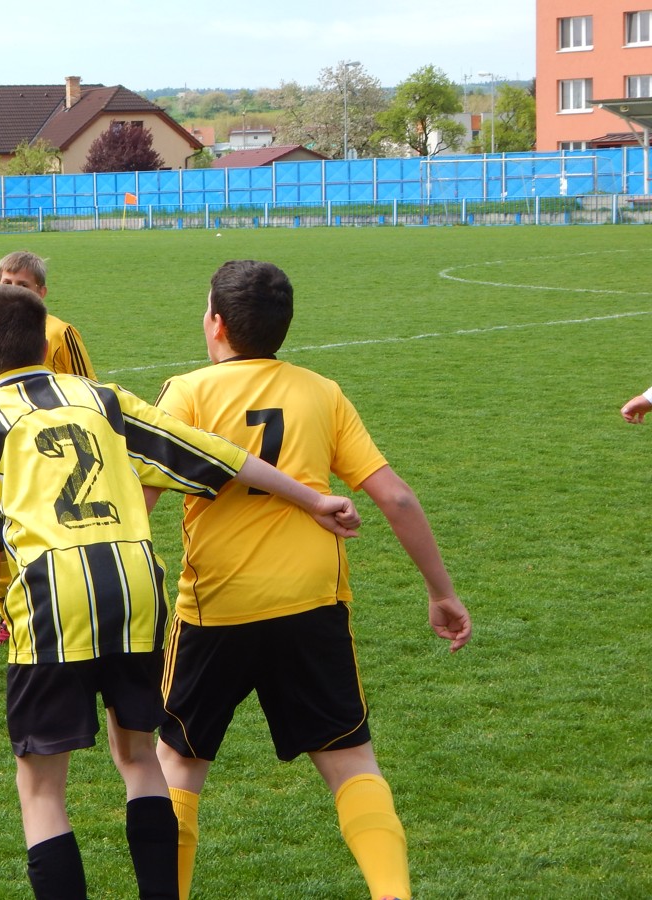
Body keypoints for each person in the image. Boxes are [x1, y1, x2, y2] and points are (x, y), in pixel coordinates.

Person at [0, 285, 361, 900]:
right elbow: (217, 454)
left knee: (41, 790)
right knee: (140, 760)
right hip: (136, 589)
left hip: (50, 599)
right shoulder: (104, 399)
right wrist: (313, 498)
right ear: (44, 345)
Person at [147, 260, 472, 900]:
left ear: (216, 323)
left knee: (177, 767)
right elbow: (396, 497)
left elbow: (140, 501)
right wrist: (441, 592)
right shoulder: (322, 391)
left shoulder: (186, 393)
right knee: (351, 763)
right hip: (312, 603)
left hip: (217, 608)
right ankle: (393, 893)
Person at [0, 250, 97, 379]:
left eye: (23, 285)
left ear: (41, 292)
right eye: (7, 283)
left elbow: (87, 384)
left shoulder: (61, 333)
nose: (13, 290)